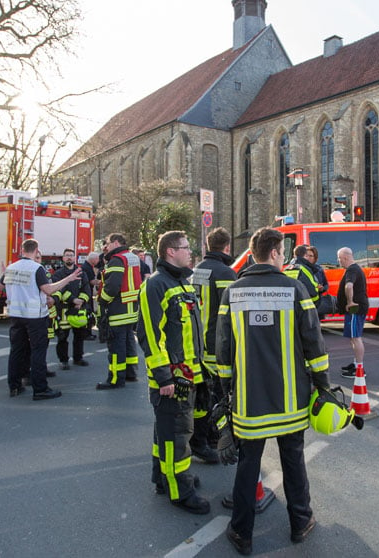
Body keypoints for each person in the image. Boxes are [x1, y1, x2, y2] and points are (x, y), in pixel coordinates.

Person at [215, 227, 330, 555]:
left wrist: (226, 394)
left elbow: (223, 352)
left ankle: (241, 533)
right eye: (282, 252)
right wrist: (322, 387)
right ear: (277, 253)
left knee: (248, 464)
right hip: (291, 402)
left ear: (252, 254)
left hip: (249, 403)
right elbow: (315, 347)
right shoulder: (295, 289)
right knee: (293, 460)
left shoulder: (233, 293)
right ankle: (300, 522)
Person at [137, 230, 210, 515]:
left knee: (168, 433)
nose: (190, 251)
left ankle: (163, 478)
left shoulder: (182, 283)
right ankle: (180, 488)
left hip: (189, 374)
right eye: (185, 247)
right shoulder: (156, 285)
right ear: (170, 251)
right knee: (177, 433)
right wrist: (164, 376)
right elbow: (150, 335)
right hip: (172, 377)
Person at [0, 238, 82, 400]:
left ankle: (14, 386)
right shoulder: (37, 269)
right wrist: (68, 279)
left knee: (16, 351)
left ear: (22, 250)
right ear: (36, 251)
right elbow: (48, 289)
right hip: (35, 316)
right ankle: (40, 389)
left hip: (16, 315)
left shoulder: (11, 268)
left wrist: (5, 274)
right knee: (38, 351)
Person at [190, 227, 237, 464]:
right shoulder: (226, 273)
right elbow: (231, 315)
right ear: (227, 247)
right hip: (216, 347)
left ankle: (204, 438)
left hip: (197, 344)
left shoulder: (196, 271)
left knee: (202, 396)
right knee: (217, 397)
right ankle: (210, 439)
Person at [97, 233, 142, 390]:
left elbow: (112, 286)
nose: (106, 247)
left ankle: (115, 378)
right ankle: (130, 373)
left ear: (116, 243)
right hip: (131, 309)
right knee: (128, 341)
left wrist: (102, 300)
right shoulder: (132, 257)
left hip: (118, 310)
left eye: (108, 243)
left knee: (116, 346)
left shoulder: (116, 259)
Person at [52, 248, 91, 370]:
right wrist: (73, 300)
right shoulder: (58, 274)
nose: (69, 257)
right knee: (63, 337)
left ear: (75, 258)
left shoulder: (82, 273)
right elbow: (58, 290)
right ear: (63, 258)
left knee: (79, 335)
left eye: (71, 255)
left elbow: (86, 289)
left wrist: (81, 300)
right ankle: (63, 360)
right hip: (63, 310)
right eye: (67, 255)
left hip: (79, 309)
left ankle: (78, 358)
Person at [337, 247, 368, 378]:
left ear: (345, 257)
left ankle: (359, 368)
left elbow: (349, 286)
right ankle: (356, 363)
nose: (339, 261)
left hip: (355, 308)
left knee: (356, 338)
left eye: (339, 259)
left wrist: (350, 302)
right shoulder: (354, 269)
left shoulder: (352, 270)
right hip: (356, 307)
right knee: (353, 337)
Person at [80, 251, 100, 340]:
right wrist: (102, 282)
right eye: (97, 259)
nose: (98, 261)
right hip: (87, 293)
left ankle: (87, 332)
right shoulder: (87, 268)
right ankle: (87, 333)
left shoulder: (86, 266)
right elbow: (91, 281)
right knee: (88, 312)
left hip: (86, 292)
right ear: (94, 259)